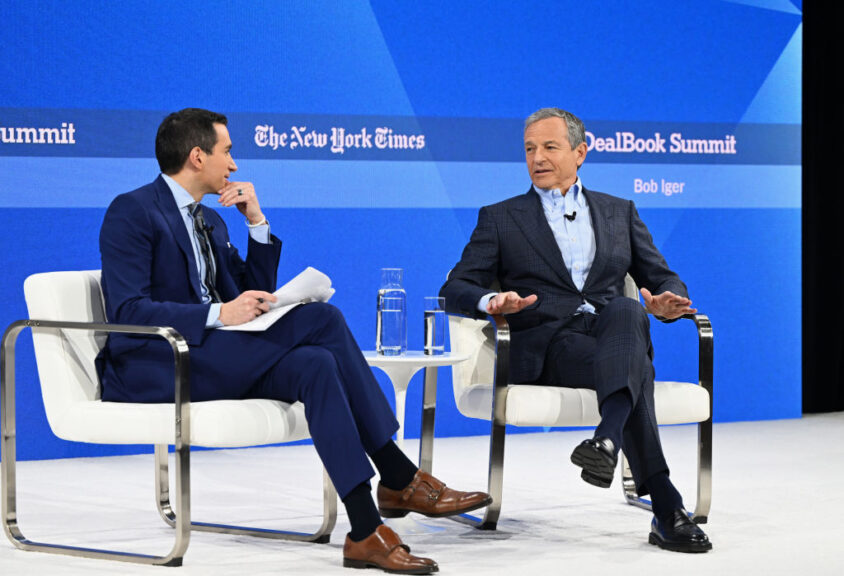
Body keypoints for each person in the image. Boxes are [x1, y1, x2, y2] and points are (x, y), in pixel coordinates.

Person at [96, 107, 491, 574]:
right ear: (197, 156)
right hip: (158, 362)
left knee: (316, 366)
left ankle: (365, 530)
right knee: (322, 319)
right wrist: (219, 313)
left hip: (213, 353)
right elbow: (126, 312)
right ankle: (398, 474)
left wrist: (256, 223)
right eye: (227, 151)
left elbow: (249, 291)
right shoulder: (134, 210)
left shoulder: (212, 220)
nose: (235, 164)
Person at [439, 107, 712, 553]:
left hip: (612, 333)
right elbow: (454, 287)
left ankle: (607, 439)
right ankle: (666, 505)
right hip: (550, 347)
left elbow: (662, 276)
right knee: (635, 369)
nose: (537, 158)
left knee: (627, 309)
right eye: (529, 149)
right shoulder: (501, 217)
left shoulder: (618, 211)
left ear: (580, 152)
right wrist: (493, 301)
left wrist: (666, 301)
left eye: (549, 147)